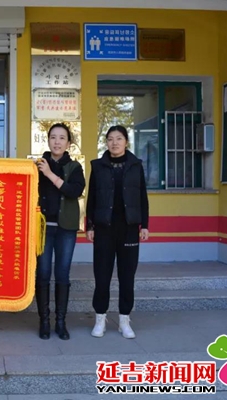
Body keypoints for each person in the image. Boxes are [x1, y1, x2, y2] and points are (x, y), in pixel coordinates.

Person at [86, 125, 150, 339]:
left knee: (127, 276)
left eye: (119, 138)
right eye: (110, 139)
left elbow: (142, 198)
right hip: (103, 229)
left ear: (126, 142)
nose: (114, 143)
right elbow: (92, 198)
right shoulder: (97, 166)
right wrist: (90, 226)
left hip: (129, 228)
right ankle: (100, 319)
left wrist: (145, 225)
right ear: (106, 142)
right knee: (101, 276)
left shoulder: (136, 166)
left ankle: (124, 320)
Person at [35, 123, 85, 340]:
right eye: (53, 137)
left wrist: (50, 174)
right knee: (43, 273)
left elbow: (75, 191)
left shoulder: (75, 167)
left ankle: (61, 322)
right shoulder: (37, 165)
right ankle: (44, 321)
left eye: (62, 138)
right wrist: (43, 171)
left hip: (66, 229)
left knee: (62, 274)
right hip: (43, 229)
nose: (57, 142)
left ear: (68, 143)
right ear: (48, 141)